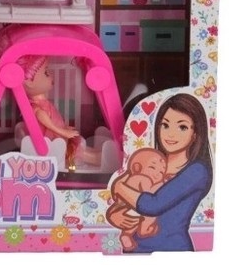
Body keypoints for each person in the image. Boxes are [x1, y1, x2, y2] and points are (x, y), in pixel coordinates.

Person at [107, 93, 213, 252]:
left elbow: (152, 205)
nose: (170, 134)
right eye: (165, 125)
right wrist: (115, 215)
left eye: (182, 127)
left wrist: (119, 187)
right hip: (134, 251)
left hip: (172, 251)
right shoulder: (151, 161)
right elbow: (126, 195)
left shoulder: (197, 171)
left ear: (195, 134)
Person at [17, 55, 101, 169]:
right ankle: (100, 159)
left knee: (81, 146)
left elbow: (54, 121)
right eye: (46, 73)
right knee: (82, 152)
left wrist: (64, 128)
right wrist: (62, 131)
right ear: (29, 82)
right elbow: (49, 124)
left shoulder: (44, 104)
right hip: (52, 142)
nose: (51, 75)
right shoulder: (37, 108)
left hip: (58, 138)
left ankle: (101, 155)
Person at [106, 148, 167, 251]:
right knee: (149, 214)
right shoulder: (142, 178)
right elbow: (148, 198)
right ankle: (144, 229)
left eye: (161, 172)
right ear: (137, 168)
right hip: (135, 206)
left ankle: (126, 235)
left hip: (130, 209)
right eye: (152, 167)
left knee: (131, 224)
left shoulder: (129, 179)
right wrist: (162, 184)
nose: (158, 174)